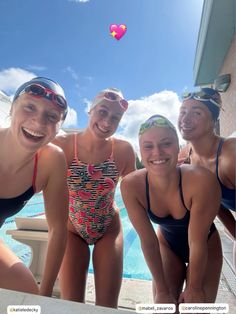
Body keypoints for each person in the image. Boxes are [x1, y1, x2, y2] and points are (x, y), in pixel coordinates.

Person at [121, 115, 222, 308]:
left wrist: (194, 288)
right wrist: (161, 290)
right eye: (148, 146)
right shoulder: (131, 185)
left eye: (165, 144)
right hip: (167, 246)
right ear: (140, 153)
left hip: (205, 245)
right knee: (163, 308)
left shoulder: (201, 181)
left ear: (177, 146)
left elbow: (196, 240)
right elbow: (149, 242)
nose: (157, 153)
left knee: (196, 309)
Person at [54, 87, 136, 308]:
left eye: (115, 117)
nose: (107, 122)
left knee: (107, 307)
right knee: (70, 305)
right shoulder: (62, 146)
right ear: (90, 110)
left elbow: (137, 196)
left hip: (108, 228)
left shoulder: (124, 151)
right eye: (102, 111)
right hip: (72, 230)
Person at [0, 77, 69, 296]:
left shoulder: (51, 161)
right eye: (29, 107)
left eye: (51, 116)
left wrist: (45, 293)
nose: (39, 123)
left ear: (59, 127)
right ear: (12, 109)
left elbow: (58, 229)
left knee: (28, 296)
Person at [178, 88, 235, 267]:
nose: (185, 119)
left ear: (213, 120)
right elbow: (214, 203)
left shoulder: (231, 155)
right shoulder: (186, 157)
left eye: (197, 112)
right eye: (183, 112)